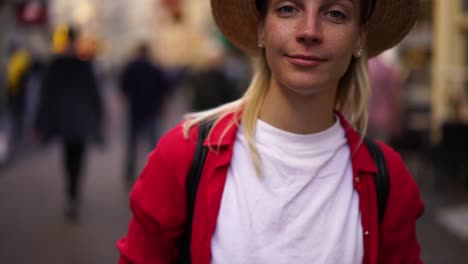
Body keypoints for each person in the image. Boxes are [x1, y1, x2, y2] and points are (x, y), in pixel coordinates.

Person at [118, 0, 424, 263]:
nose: (309, 31)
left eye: (335, 14)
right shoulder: (182, 156)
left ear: (360, 37)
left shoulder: (389, 179)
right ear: (261, 28)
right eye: (288, 8)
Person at [35, 26, 103, 222]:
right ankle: (73, 194)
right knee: (78, 159)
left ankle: (70, 195)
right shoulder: (84, 64)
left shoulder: (57, 63)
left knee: (68, 157)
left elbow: (46, 93)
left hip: (65, 120)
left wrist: (40, 120)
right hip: (80, 120)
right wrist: (99, 117)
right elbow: (94, 94)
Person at [119, 43, 170, 186]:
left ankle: (129, 174)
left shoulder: (131, 67)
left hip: (135, 111)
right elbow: (163, 90)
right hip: (151, 111)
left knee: (132, 144)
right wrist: (162, 108)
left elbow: (124, 88)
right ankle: (155, 172)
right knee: (153, 146)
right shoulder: (155, 68)